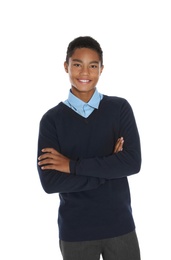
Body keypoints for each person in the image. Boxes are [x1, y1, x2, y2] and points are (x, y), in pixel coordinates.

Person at [37, 36, 142, 260]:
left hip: (120, 225)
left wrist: (71, 166)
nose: (85, 73)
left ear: (101, 69)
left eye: (92, 66)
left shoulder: (119, 108)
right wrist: (109, 170)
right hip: (76, 231)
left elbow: (132, 163)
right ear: (66, 66)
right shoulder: (51, 120)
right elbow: (50, 182)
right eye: (77, 64)